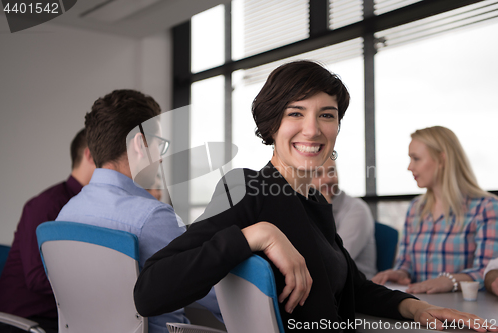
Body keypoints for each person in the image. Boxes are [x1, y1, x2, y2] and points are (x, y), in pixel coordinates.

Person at [134, 61, 494, 332]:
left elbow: (355, 287)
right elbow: (151, 291)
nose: (313, 128)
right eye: (296, 113)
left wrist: (416, 309)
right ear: (272, 124)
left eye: (327, 115)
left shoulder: (315, 201)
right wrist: (256, 235)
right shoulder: (247, 189)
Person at [55, 90, 221, 333]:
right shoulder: (152, 217)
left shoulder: (65, 215)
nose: (161, 159)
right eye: (159, 145)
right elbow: (219, 295)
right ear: (140, 144)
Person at [372, 126, 498, 295]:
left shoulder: (486, 207)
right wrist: (398, 273)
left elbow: (488, 272)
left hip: (465, 312)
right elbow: (406, 264)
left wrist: (449, 281)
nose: (409, 167)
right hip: (419, 308)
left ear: (442, 159)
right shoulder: (416, 208)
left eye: (416, 158)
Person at [0, 128, 96, 333]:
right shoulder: (47, 205)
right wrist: (96, 286)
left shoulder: (89, 208)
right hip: (25, 322)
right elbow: (36, 277)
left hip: (61, 321)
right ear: (89, 154)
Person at [311, 157, 376, 279]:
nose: (328, 179)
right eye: (318, 173)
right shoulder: (304, 208)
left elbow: (333, 262)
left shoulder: (357, 210)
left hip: (354, 290)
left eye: (332, 171)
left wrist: (323, 213)